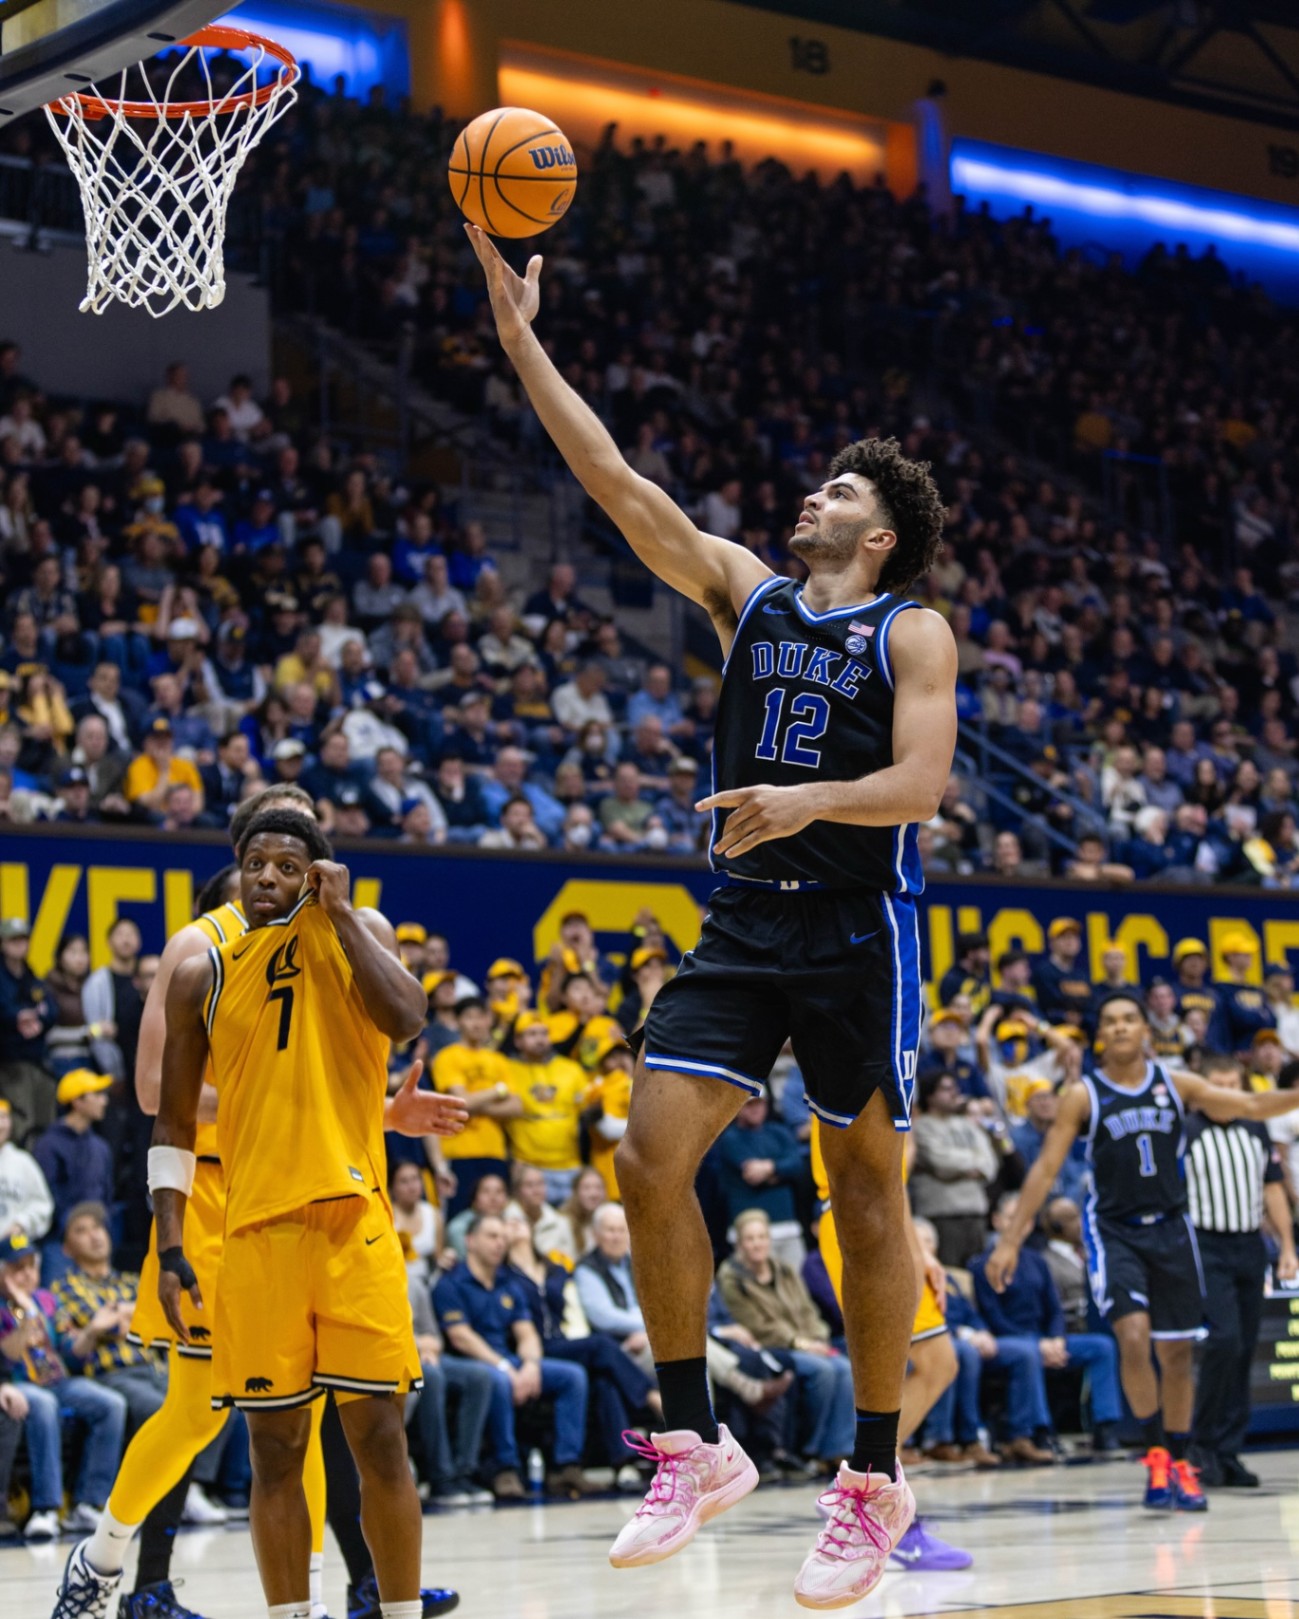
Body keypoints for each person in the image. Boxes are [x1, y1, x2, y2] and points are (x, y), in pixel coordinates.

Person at [466, 224, 956, 1605]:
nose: (812, 495)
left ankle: (872, 1475)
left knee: (865, 1191)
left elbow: (921, 783)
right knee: (643, 1155)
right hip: (744, 918)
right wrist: (519, 341)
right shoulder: (747, 591)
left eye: (837, 490)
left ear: (878, 535)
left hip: (858, 923)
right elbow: (617, 481)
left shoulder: (909, 630)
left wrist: (808, 802)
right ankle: (692, 1441)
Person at [51, 794, 465, 1619]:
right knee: (216, 1416)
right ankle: (109, 1564)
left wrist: (376, 1112)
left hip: (341, 1209)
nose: (272, 871)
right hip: (225, 1203)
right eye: (257, 858)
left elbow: (386, 1030)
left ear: (319, 864)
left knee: (361, 1431)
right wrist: (171, 1240)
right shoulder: (199, 953)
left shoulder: (353, 928)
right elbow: (160, 1102)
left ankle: (346, 1590)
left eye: (291, 856)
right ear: (236, 862)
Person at [986, 991, 1299, 1512]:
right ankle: (1155, 1453)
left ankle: (1180, 1459)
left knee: (1176, 1353)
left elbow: (1248, 1106)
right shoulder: (1083, 1095)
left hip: (1173, 1229)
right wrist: (1011, 1240)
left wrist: (1291, 1097)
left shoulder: (1175, 1084)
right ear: (1100, 1035)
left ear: (1145, 1030)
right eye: (1111, 1021)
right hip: (1115, 1230)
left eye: (1130, 1019)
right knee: (1133, 1336)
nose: (1121, 1027)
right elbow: (1044, 1169)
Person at [1186, 1055, 1297, 1487]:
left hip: (1249, 1245)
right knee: (1224, 1339)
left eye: (1235, 1085)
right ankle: (1201, 1445)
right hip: (1205, 1244)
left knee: (1245, 1348)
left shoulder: (1255, 1128)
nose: (1229, 1093)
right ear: (1202, 1090)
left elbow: (1273, 1188)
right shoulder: (1186, 1131)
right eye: (1220, 1085)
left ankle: (1228, 1450)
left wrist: (1286, 1244)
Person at [435, 1212, 593, 1500]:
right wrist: (504, 1366)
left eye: (502, 1238)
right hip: (470, 1362)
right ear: (470, 1241)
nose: (499, 1243)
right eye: (491, 1236)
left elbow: (527, 1333)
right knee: (498, 1380)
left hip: (509, 1359)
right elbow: (461, 1337)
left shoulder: (508, 1283)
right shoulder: (451, 1282)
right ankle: (505, 1467)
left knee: (573, 1376)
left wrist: (531, 1365)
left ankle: (565, 1465)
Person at [0, 1228, 127, 1541]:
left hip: (57, 1381)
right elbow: (7, 1355)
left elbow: (70, 1350)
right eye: (17, 1268)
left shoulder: (47, 1300)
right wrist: (25, 1311)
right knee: (44, 1405)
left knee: (111, 1404)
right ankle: (46, 1507)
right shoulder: (5, 1307)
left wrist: (92, 1331)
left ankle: (89, 1502)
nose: (26, 1275)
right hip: (19, 1382)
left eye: (31, 1266)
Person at [969, 1195, 1122, 1452]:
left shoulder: (1037, 1260)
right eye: (1011, 1218)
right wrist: (1038, 1343)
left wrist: (1056, 1338)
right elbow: (992, 1316)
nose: (1018, 1225)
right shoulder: (982, 1265)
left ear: (1030, 1225)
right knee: (1028, 1353)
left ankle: (1104, 1426)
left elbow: (1054, 1308)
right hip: (1008, 1339)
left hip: (1043, 1337)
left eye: (1023, 1219)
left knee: (1102, 1346)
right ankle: (1040, 1431)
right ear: (996, 1221)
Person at [718, 1210, 855, 1468]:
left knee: (845, 1369)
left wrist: (817, 1338)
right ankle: (811, 1449)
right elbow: (757, 1326)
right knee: (824, 1371)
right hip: (772, 1347)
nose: (757, 1244)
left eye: (761, 1237)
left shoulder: (784, 1269)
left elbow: (807, 1310)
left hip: (807, 1342)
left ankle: (837, 1450)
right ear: (739, 1243)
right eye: (750, 1238)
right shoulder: (731, 1278)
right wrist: (801, 1344)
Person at [51, 1203, 169, 1433]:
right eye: (81, 1230)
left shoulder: (132, 1281)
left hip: (158, 1369)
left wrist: (115, 1315)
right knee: (162, 1412)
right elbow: (99, 1328)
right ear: (66, 1248)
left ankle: (200, 1461)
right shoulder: (64, 1288)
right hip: (114, 1374)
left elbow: (161, 1319)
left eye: (97, 1227)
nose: (94, 1235)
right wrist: (131, 1318)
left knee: (215, 1409)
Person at [431, 998, 519, 1218]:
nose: (476, 1023)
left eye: (481, 1017)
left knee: (497, 1220)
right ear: (458, 1022)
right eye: (469, 1017)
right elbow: (462, 1101)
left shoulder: (499, 1060)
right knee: (459, 1220)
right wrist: (498, 1090)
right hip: (458, 1151)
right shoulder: (447, 1056)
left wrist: (474, 1104)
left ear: (488, 1021)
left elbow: (517, 1106)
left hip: (495, 1151)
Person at [908, 1072, 999, 1266]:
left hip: (977, 1214)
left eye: (955, 1087)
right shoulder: (921, 1127)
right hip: (942, 1217)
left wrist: (961, 1165)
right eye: (946, 1089)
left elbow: (990, 1163)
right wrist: (974, 1161)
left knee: (977, 1276)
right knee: (949, 1276)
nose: (954, 1093)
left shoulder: (968, 1125)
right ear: (930, 1096)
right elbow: (941, 1163)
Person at [504, 1013, 587, 1204]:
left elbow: (587, 1110)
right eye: (532, 1034)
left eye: (543, 1033)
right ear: (517, 1040)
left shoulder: (571, 1069)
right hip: (528, 1168)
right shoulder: (506, 1069)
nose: (540, 1039)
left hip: (570, 1166)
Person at [33, 1070, 115, 1252]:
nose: (104, 1101)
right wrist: (71, 1229)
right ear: (77, 1102)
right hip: (59, 1244)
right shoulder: (48, 1145)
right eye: (97, 1094)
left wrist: (100, 1227)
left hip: (98, 1238)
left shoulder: (100, 1146)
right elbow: (46, 1196)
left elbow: (107, 1193)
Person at [0, 916, 58, 1145]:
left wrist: (38, 1020)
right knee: (21, 1121)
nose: (20, 944)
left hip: (38, 1061)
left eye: (23, 939)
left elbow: (51, 1009)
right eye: (13, 939)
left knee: (45, 1121)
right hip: (10, 1063)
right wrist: (17, 1017)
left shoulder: (31, 976)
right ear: (3, 943)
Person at [0, 1096, 53, 1239]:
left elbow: (42, 1205)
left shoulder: (23, 1162)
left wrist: (21, 1224)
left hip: (14, 1242)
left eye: (4, 1117)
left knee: (26, 1251)